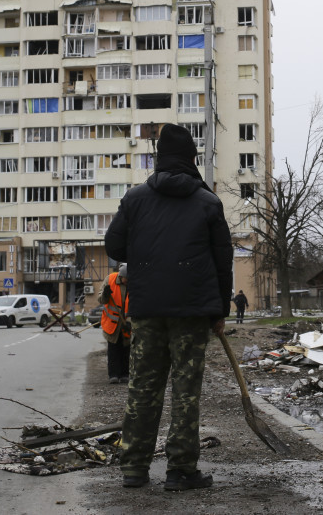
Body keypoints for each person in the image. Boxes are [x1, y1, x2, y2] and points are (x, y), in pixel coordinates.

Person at [106, 124, 232, 492]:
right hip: (192, 313)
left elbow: (115, 247)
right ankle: (180, 470)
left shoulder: (135, 199)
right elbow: (222, 262)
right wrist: (219, 311)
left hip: (147, 311)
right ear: (192, 159)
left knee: (143, 388)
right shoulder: (208, 202)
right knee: (185, 390)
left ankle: (134, 467)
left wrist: (145, 250)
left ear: (159, 158)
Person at [100, 264, 130, 384]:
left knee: (126, 349)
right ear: (121, 276)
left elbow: (135, 305)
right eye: (126, 279)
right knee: (113, 350)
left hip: (127, 324)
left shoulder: (134, 284)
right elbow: (100, 299)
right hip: (112, 324)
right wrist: (105, 295)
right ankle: (113, 375)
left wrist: (129, 322)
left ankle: (125, 374)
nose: (127, 281)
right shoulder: (110, 279)